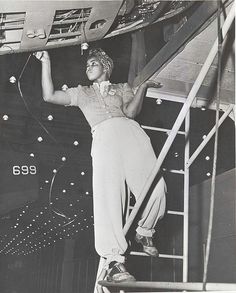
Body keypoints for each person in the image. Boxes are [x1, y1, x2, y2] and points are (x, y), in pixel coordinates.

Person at [34, 48, 166, 283]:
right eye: (87, 65)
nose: (88, 67)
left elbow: (130, 112)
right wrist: (46, 62)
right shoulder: (82, 92)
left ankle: (145, 231)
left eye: (93, 63)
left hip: (131, 133)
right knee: (109, 199)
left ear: (105, 66)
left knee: (157, 188)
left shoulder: (123, 88)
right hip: (104, 139)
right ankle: (114, 261)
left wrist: (142, 88)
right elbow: (49, 96)